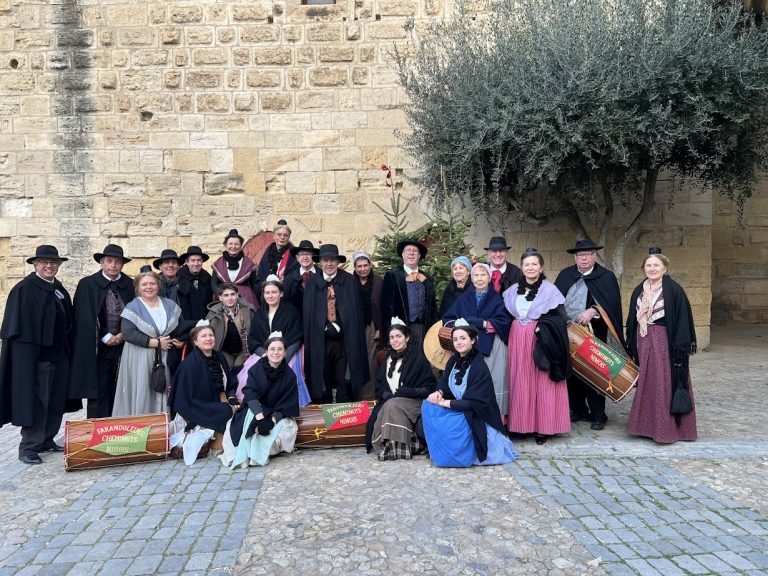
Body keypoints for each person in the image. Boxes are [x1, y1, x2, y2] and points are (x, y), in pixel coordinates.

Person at [0, 245, 74, 465]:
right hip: (38, 358)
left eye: (53, 263)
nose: (49, 266)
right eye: (44, 262)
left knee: (55, 400)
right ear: (35, 265)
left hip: (59, 354)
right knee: (38, 401)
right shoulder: (24, 288)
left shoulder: (57, 288)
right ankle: (29, 446)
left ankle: (47, 438)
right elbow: (17, 329)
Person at [421, 320, 517, 467]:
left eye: (463, 338)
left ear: (472, 340)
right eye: (455, 339)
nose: (458, 342)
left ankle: (459, 453)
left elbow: (473, 402)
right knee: (427, 405)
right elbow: (445, 383)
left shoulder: (480, 367)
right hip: (458, 407)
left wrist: (445, 403)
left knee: (450, 419)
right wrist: (438, 393)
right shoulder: (453, 360)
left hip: (475, 413)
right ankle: (441, 450)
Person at [625, 249, 697, 444]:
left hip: (664, 342)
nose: (652, 268)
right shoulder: (639, 290)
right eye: (648, 265)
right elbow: (633, 318)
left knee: (662, 382)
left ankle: (666, 429)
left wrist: (680, 348)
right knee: (648, 382)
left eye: (656, 265)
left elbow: (683, 320)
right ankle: (645, 426)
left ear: (665, 268)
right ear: (644, 269)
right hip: (644, 339)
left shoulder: (674, 290)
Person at [554, 239, 625, 431]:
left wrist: (593, 311)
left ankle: (598, 415)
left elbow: (611, 307)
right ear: (575, 257)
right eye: (580, 255)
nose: (583, 258)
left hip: (593, 333)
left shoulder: (606, 277)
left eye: (587, 255)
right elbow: (553, 301)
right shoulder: (565, 275)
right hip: (567, 332)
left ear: (594, 256)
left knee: (595, 373)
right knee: (572, 373)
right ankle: (578, 410)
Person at [503, 248, 571, 444]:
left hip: (541, 340)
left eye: (534, 264)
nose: (530, 267)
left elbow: (561, 319)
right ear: (522, 268)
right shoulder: (510, 291)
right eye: (526, 264)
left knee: (543, 382)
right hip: (517, 339)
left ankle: (544, 427)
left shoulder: (550, 291)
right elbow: (507, 317)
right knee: (520, 381)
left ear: (541, 267)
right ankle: (522, 425)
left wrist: (543, 327)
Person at [113, 267, 190, 416]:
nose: (149, 287)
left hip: (165, 355)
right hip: (140, 356)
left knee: (164, 387)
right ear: (138, 288)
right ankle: (142, 423)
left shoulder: (169, 304)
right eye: (144, 284)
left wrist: (181, 340)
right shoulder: (133, 307)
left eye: (152, 284)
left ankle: (163, 423)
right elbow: (128, 333)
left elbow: (180, 327)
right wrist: (153, 343)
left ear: (158, 285)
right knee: (143, 388)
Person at [70, 244, 135, 419]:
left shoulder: (129, 284)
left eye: (117, 262)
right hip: (97, 346)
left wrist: (122, 334)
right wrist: (106, 336)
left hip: (124, 344)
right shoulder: (88, 284)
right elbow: (83, 316)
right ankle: (97, 431)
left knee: (121, 386)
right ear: (101, 263)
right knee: (98, 389)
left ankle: (118, 426)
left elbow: (135, 313)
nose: (113, 265)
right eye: (109, 261)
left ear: (122, 264)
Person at [222, 332, 300, 468]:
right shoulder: (256, 369)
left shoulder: (290, 376)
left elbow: (286, 404)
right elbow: (251, 395)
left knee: (283, 430)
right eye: (272, 349)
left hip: (275, 413)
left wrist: (271, 421)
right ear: (267, 351)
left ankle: (258, 455)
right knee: (244, 423)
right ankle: (244, 454)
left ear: (285, 352)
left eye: (280, 349)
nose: (276, 352)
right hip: (255, 408)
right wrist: (261, 419)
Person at [443, 263, 512, 418]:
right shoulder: (464, 298)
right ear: (471, 278)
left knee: (492, 381)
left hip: (491, 346)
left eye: (483, 275)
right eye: (476, 275)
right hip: (467, 348)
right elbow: (448, 319)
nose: (479, 278)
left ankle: (495, 419)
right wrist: (461, 325)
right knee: (470, 382)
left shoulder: (496, 298)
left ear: (489, 278)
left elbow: (504, 321)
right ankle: (472, 418)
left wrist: (483, 323)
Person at [303, 244, 368, 403]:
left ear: (337, 262)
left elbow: (353, 311)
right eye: (325, 260)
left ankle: (344, 418)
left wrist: (338, 325)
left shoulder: (349, 281)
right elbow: (310, 314)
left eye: (332, 260)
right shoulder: (313, 283)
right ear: (320, 263)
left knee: (343, 378)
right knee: (323, 378)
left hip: (344, 340)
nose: (329, 264)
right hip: (321, 340)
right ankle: (324, 417)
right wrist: (324, 326)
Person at [168, 322, 238, 462]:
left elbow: (230, 383)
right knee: (226, 412)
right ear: (195, 341)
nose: (208, 339)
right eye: (203, 336)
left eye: (211, 335)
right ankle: (219, 444)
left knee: (242, 408)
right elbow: (184, 398)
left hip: (219, 401)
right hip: (197, 406)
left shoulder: (220, 358)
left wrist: (231, 398)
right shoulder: (189, 365)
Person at [366, 319, 436, 460]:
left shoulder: (417, 358)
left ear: (407, 338)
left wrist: (409, 391)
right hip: (392, 402)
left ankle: (397, 449)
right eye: (392, 337)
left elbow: (429, 387)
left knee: (392, 405)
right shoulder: (386, 359)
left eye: (398, 336)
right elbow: (379, 385)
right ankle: (397, 445)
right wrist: (385, 394)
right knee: (390, 405)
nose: (395, 340)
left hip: (415, 402)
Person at [241, 276, 309, 406]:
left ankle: (282, 405)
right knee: (252, 369)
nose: (270, 295)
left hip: (287, 353)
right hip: (265, 354)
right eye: (267, 292)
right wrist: (263, 354)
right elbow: (253, 338)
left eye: (274, 292)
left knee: (286, 371)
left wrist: (282, 357)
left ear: (281, 293)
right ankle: (259, 404)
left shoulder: (291, 311)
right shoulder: (260, 313)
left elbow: (296, 338)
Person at [380, 238, 437, 351]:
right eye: (408, 250)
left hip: (423, 328)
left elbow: (432, 306)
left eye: (415, 251)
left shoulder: (427, 278)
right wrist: (391, 331)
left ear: (419, 255)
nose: (411, 253)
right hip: (402, 328)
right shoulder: (393, 275)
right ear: (402, 254)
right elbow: (386, 307)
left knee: (421, 360)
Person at [206, 283, 257, 372]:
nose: (230, 298)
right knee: (226, 370)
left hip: (244, 351)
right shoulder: (213, 314)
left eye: (232, 294)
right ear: (220, 298)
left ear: (237, 295)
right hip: (223, 351)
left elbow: (256, 332)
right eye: (226, 295)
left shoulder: (248, 310)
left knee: (240, 370)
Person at [352, 250, 383, 400]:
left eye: (365, 265)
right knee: (356, 361)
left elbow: (384, 308)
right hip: (354, 326)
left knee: (371, 363)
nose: (363, 269)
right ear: (355, 267)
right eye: (359, 266)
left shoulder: (379, 282)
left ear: (370, 265)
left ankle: (370, 397)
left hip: (372, 327)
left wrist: (381, 328)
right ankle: (357, 398)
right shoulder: (350, 282)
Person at [211, 229, 260, 308]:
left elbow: (254, 283)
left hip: (246, 299)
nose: (233, 247)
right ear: (226, 246)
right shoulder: (218, 263)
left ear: (240, 246)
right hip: (225, 298)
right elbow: (214, 283)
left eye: (236, 244)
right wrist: (220, 295)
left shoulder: (249, 263)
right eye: (230, 244)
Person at [282, 239, 319, 321]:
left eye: (309, 254)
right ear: (297, 257)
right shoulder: (289, 279)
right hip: (297, 323)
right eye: (302, 254)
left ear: (314, 256)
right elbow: (285, 304)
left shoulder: (322, 275)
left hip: (319, 323)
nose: (305, 257)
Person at [177, 246, 214, 323]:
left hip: (203, 319)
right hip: (184, 320)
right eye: (193, 260)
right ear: (187, 262)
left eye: (199, 260)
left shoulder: (207, 277)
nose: (196, 263)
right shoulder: (178, 277)